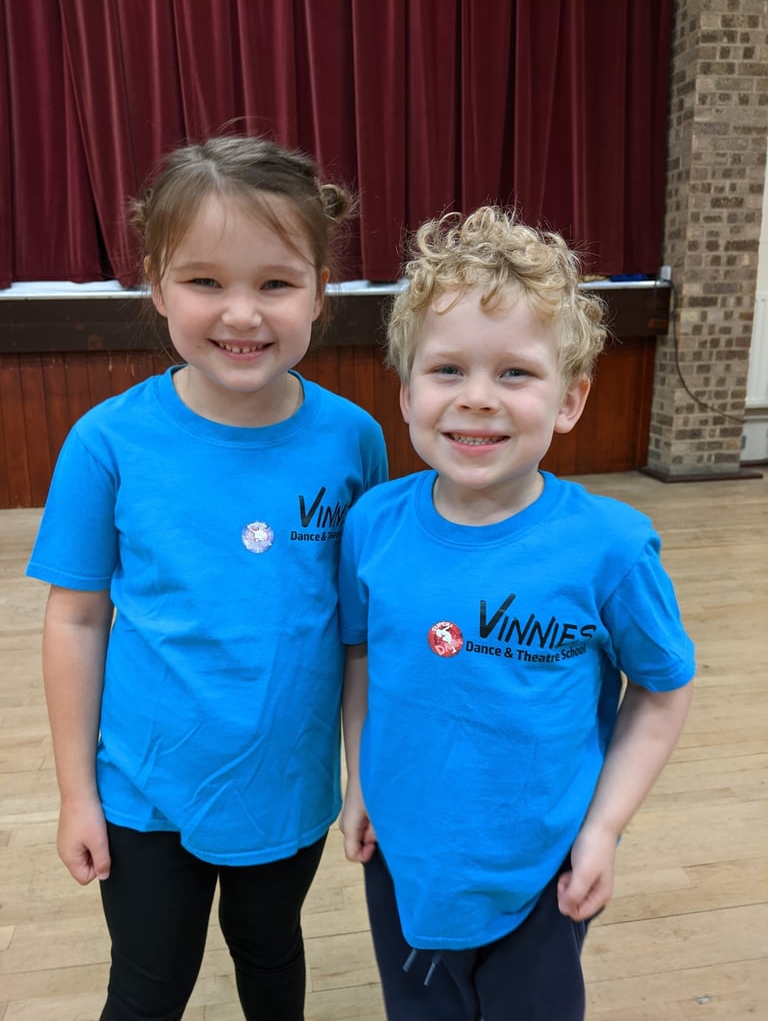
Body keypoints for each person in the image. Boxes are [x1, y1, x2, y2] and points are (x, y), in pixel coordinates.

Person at [26, 135, 387, 1021]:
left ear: (318, 288)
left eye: (274, 282)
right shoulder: (106, 443)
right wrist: (78, 794)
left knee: (272, 959)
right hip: (144, 794)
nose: (242, 314)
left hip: (288, 789)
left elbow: (359, 635)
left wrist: (364, 775)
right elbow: (75, 623)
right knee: (148, 986)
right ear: (155, 284)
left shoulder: (354, 441)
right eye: (204, 281)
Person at [338, 206, 694, 1020]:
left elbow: (663, 689)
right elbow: (359, 660)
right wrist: (360, 781)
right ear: (404, 392)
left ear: (569, 400)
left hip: (545, 869)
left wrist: (602, 828)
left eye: (514, 374)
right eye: (448, 370)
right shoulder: (371, 528)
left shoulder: (611, 546)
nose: (477, 400)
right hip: (404, 857)